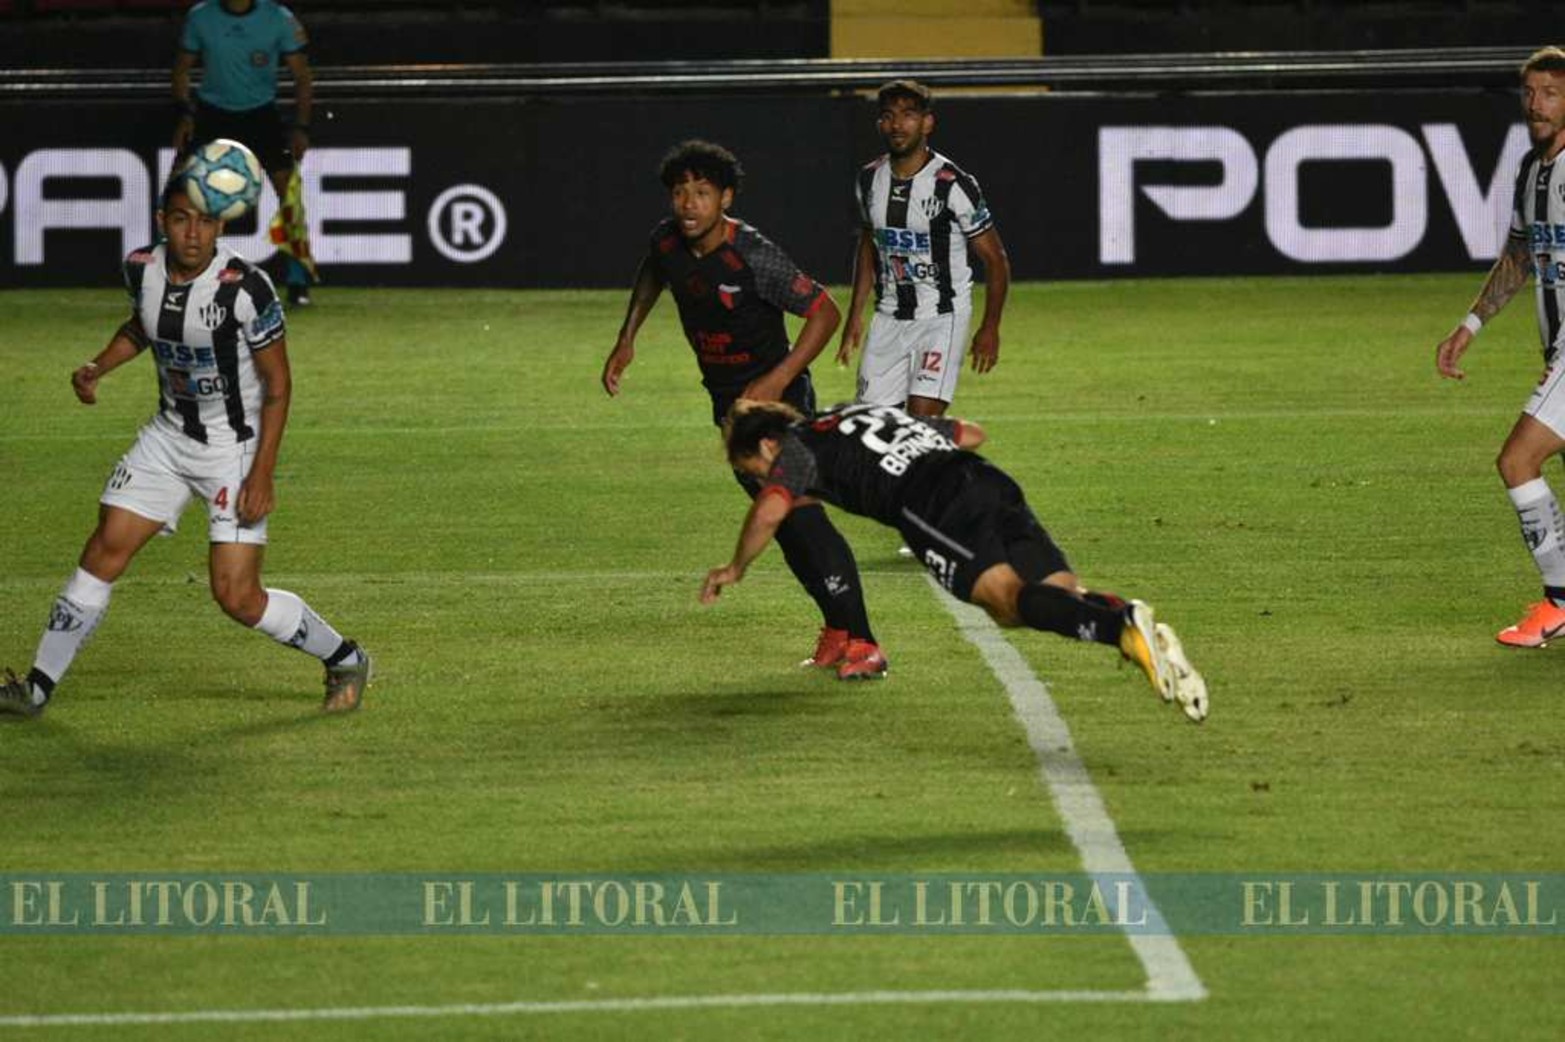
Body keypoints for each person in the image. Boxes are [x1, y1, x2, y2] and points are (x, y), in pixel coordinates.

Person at [0, 173, 369, 719]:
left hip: (234, 452)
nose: (193, 234)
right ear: (161, 222)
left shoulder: (246, 288)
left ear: (220, 224)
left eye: (204, 222)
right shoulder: (140, 268)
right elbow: (142, 327)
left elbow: (279, 384)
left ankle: (345, 657)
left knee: (237, 596)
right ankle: (36, 688)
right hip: (169, 439)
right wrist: (98, 367)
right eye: (180, 219)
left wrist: (262, 474)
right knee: (105, 547)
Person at [701, 400, 1209, 723]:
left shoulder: (796, 448)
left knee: (1007, 604)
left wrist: (736, 567)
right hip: (985, 478)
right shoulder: (855, 412)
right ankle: (1136, 630)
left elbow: (771, 510)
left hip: (934, 506)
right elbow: (969, 433)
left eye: (758, 469)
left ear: (769, 442)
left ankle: (1121, 625)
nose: (767, 479)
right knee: (1059, 595)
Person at [601, 140, 888, 680]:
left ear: (725, 197)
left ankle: (864, 642)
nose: (688, 204)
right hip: (728, 406)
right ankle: (837, 628)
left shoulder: (752, 254)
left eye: (702, 193)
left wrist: (775, 381)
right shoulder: (668, 242)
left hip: (775, 407)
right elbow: (652, 271)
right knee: (780, 524)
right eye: (680, 193)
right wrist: (627, 338)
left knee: (796, 514)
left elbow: (823, 310)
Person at [1435, 45, 1565, 647]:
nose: (1536, 105)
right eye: (1531, 93)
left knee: (1517, 461)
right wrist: (1471, 325)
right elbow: (1519, 255)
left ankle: (1561, 603)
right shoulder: (1532, 169)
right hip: (1555, 346)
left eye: (1550, 94)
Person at [835, 79, 1011, 419]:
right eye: (888, 116)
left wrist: (990, 327)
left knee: (921, 428)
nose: (898, 124)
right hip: (888, 318)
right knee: (874, 431)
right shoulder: (869, 178)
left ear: (927, 123)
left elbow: (996, 259)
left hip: (941, 318)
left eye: (908, 115)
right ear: (880, 124)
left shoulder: (953, 184)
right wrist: (855, 315)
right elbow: (869, 244)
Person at [172, 0, 316, 307]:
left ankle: (298, 278)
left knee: (289, 190)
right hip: (212, 114)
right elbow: (181, 71)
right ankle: (174, 273)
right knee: (178, 189)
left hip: (260, 115)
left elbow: (302, 76)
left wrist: (301, 126)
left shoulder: (279, 18)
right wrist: (185, 115)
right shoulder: (200, 17)